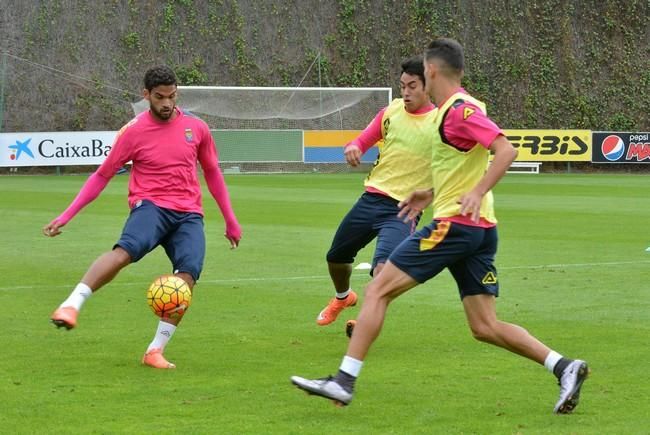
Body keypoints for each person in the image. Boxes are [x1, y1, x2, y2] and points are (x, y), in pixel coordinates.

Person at [291, 38, 588, 414]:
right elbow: (466, 163)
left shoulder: (458, 111)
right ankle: (564, 367)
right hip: (478, 230)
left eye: (418, 78)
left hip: (457, 227)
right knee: (484, 326)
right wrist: (429, 193)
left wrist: (478, 191)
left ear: (430, 71)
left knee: (378, 289)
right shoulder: (456, 110)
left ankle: (343, 381)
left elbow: (505, 149)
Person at [43, 65, 242, 369]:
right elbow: (102, 175)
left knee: (187, 277)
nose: (166, 103)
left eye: (172, 96)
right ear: (146, 95)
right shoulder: (133, 131)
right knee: (124, 253)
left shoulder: (197, 127)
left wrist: (230, 219)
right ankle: (72, 305)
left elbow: (212, 172)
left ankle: (155, 350)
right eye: (160, 97)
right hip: (150, 206)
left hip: (189, 214)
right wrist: (67, 215)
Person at [316, 55, 437, 328]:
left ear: (428, 86)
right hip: (371, 199)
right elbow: (364, 138)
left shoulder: (440, 122)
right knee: (335, 258)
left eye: (412, 86)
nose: (405, 92)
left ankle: (361, 323)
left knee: (383, 270)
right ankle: (343, 297)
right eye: (402, 86)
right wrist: (355, 146)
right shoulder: (392, 111)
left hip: (403, 209)